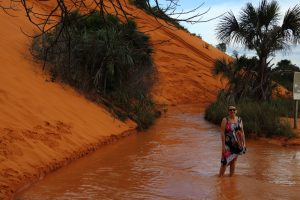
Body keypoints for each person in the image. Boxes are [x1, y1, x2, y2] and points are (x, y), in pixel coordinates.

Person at [219, 105, 246, 177]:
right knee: (224, 162)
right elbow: (222, 133)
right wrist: (223, 146)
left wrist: (244, 144)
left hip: (237, 144)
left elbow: (242, 132)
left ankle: (231, 178)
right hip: (228, 145)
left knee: (234, 161)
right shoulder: (225, 120)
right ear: (228, 111)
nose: (232, 111)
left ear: (236, 111)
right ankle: (220, 178)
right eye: (230, 110)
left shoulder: (239, 119)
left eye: (234, 110)